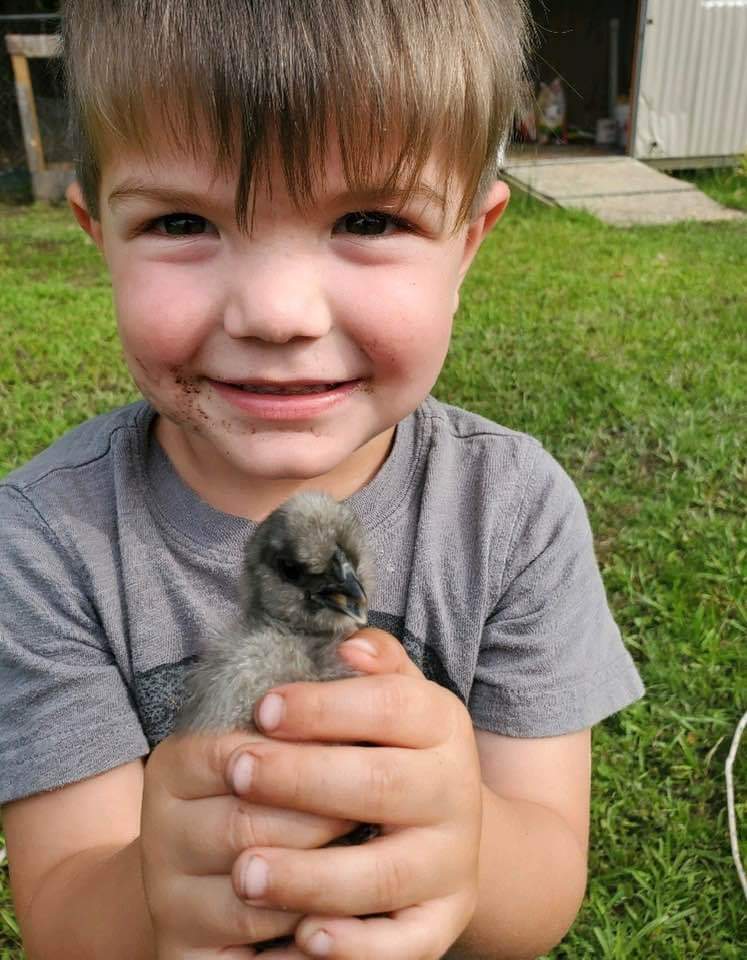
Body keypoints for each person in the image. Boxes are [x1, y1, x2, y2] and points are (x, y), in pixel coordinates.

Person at [0, 1, 645, 958]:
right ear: (99, 233)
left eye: (368, 218)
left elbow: (540, 891)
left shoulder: (511, 514)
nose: (275, 312)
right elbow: (65, 913)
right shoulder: (46, 544)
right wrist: (168, 891)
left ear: (468, 242)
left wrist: (461, 837)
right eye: (182, 220)